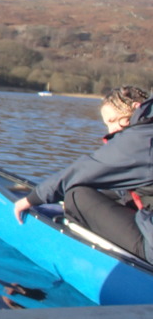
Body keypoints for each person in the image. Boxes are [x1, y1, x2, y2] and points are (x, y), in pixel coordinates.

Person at [13, 85, 153, 262]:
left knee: (76, 195)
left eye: (113, 120)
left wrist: (30, 199)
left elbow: (82, 171)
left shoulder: (140, 139)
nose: (110, 130)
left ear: (134, 108)